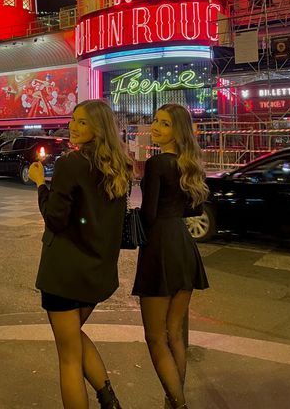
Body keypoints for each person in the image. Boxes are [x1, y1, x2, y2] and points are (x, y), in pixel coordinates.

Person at [28, 100, 133, 409]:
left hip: (64, 274)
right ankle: (109, 401)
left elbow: (55, 218)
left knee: (69, 357)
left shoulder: (71, 163)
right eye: (73, 120)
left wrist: (39, 185)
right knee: (73, 337)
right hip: (96, 273)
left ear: (97, 128)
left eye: (82, 122)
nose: (73, 126)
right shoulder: (118, 167)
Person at [132, 104, 209, 409]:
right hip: (184, 247)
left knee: (155, 337)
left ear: (177, 131)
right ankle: (173, 401)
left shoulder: (156, 163)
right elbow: (196, 209)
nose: (156, 127)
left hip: (159, 248)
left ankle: (178, 404)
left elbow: (148, 215)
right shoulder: (188, 164)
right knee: (175, 334)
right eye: (155, 121)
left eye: (164, 124)